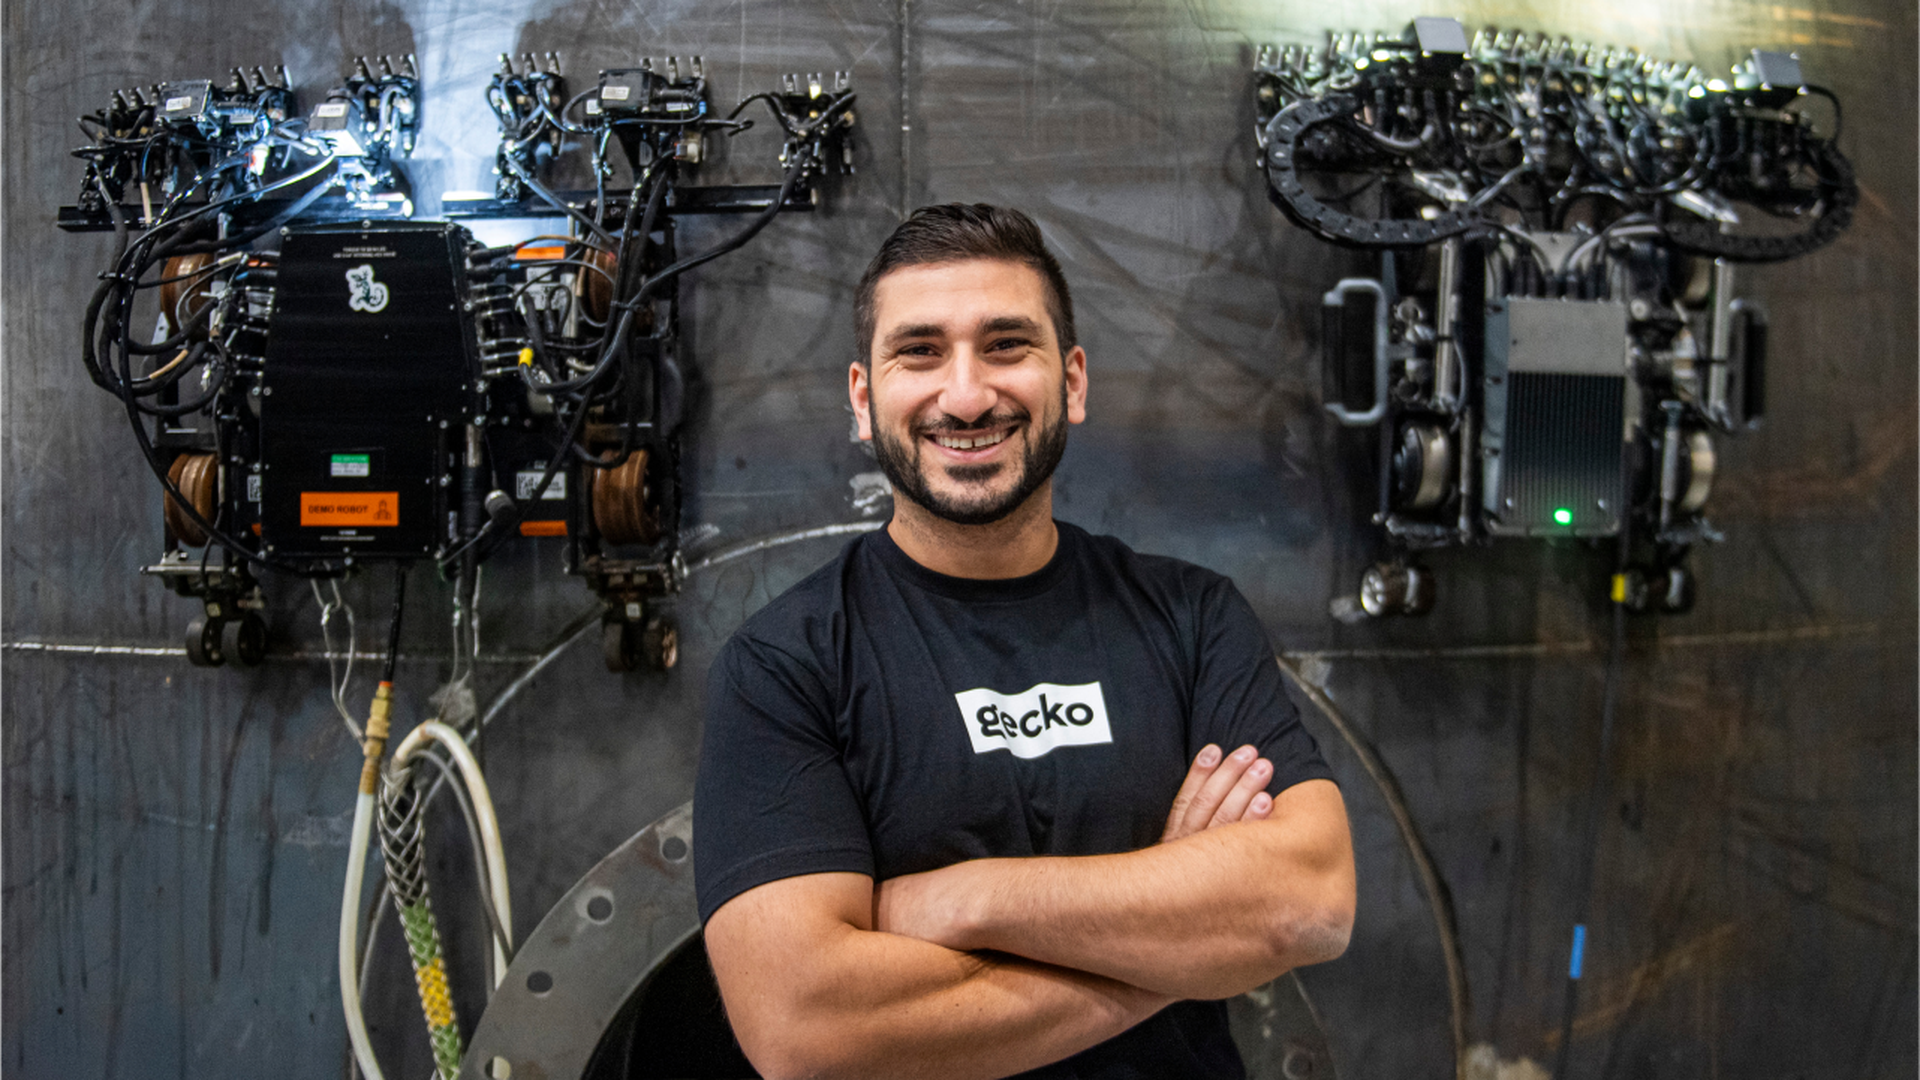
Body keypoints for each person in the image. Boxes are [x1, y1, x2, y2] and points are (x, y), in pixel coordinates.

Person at [694, 203, 1355, 1080]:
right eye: (919, 352)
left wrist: (966, 901)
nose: (966, 395)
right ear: (863, 399)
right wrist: (1178, 943)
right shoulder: (787, 667)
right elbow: (804, 1027)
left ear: (1072, 382)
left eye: (1007, 345)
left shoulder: (1194, 618)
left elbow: (1308, 902)